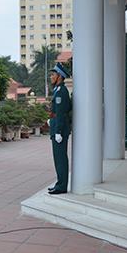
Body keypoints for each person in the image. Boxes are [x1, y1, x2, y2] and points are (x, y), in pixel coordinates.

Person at [48, 63, 72, 195]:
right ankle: (59, 183)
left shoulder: (61, 92)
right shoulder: (57, 90)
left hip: (60, 131)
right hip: (58, 127)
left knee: (61, 158)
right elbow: (57, 112)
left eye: (53, 74)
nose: (51, 77)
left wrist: (57, 131)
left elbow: (62, 113)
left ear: (60, 76)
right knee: (58, 158)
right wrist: (51, 120)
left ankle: (62, 186)